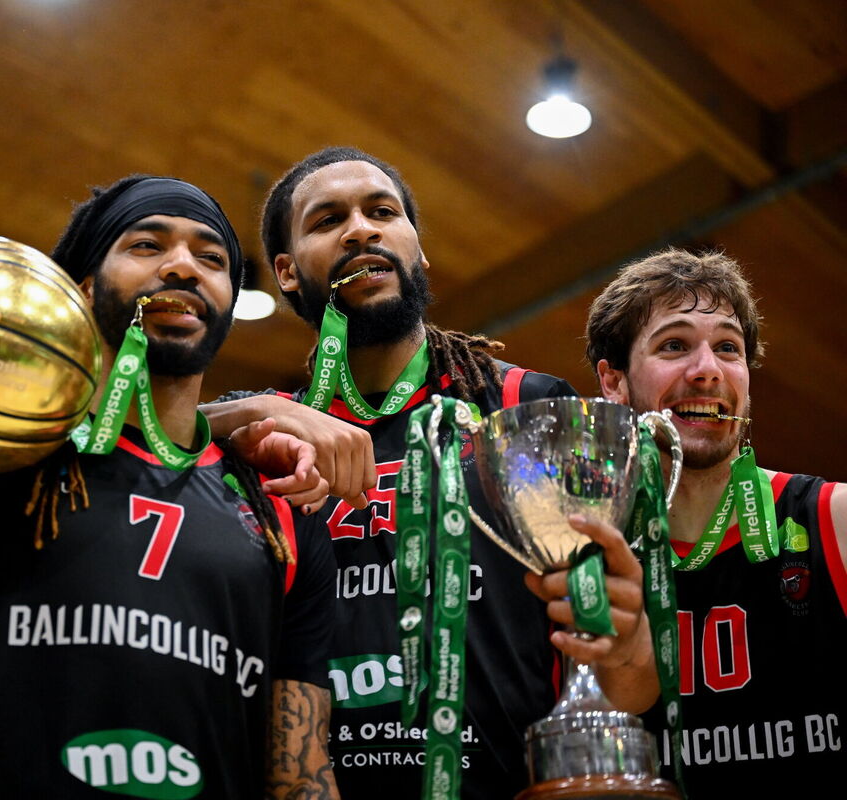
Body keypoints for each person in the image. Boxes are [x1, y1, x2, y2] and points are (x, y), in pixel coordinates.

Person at [0, 174, 341, 797]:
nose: (183, 266)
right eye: (147, 245)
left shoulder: (283, 508)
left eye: (211, 258)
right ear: (80, 288)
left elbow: (299, 774)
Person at [203, 146, 660, 799]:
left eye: (382, 211)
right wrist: (242, 407)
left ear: (419, 252)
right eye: (328, 220)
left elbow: (624, 671)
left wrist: (630, 644)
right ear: (286, 272)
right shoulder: (263, 437)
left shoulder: (525, 408)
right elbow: (123, 435)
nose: (361, 228)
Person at [586, 247, 847, 796]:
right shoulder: (585, 552)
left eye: (728, 348)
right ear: (613, 383)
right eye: (674, 345)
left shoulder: (833, 520)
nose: (707, 370)